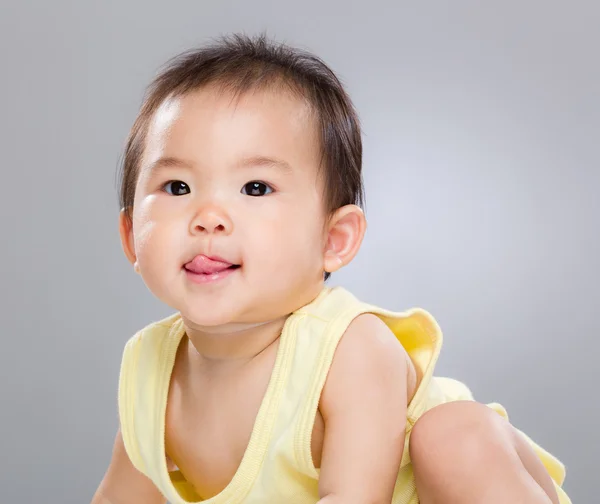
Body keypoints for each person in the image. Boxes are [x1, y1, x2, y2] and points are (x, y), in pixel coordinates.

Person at [92, 34, 570, 504]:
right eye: (177, 187)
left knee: (454, 437)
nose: (209, 216)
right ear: (132, 237)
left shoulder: (350, 350)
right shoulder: (150, 371)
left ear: (333, 240)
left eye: (255, 188)